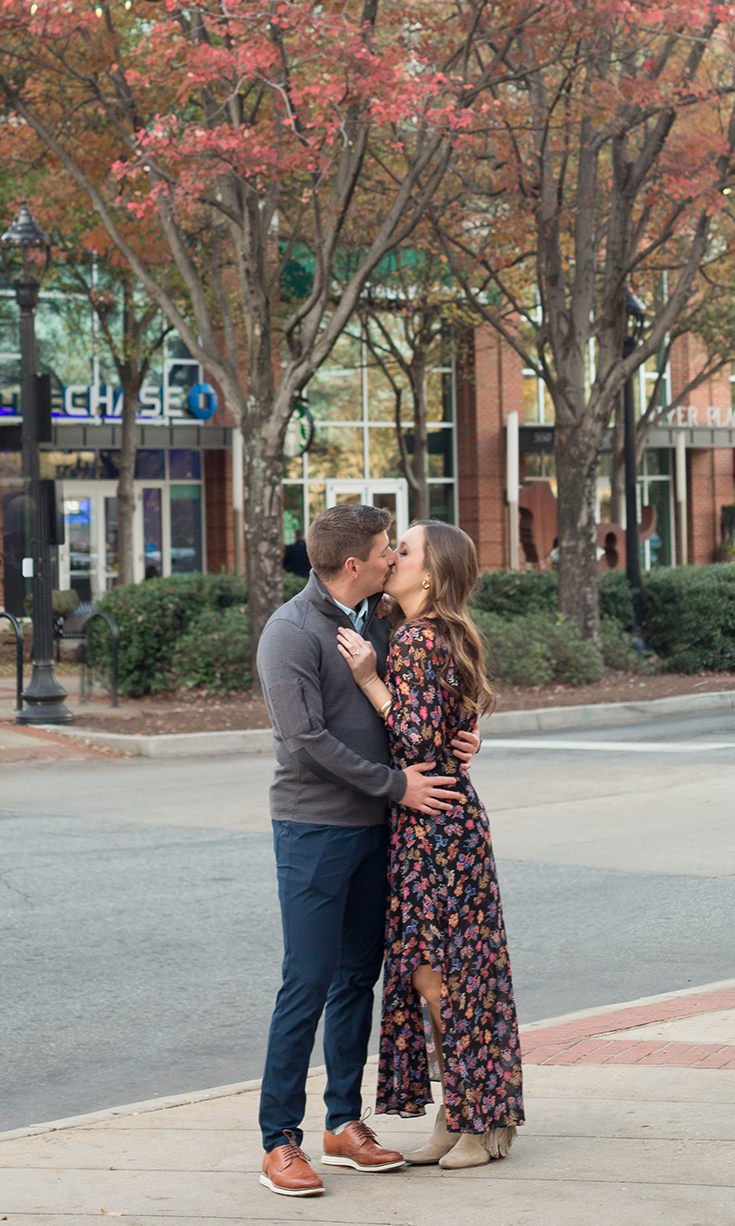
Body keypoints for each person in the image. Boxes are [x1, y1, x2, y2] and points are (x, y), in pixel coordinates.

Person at [255, 503, 481, 1198]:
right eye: (388, 549)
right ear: (354, 564)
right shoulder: (290, 633)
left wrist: (466, 738)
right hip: (316, 830)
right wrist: (396, 786)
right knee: (308, 980)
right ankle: (279, 1141)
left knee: (359, 978)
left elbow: (433, 697)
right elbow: (307, 741)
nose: (394, 557)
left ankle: (343, 1123)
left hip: (381, 831)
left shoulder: (384, 618)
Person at [337, 520, 524, 1169]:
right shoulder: (429, 631)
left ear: (430, 573)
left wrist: (368, 678)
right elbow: (452, 728)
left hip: (436, 829)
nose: (393, 558)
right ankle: (471, 1115)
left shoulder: (419, 638)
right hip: (444, 824)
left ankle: (475, 1120)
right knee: (453, 977)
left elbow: (415, 740)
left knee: (440, 980)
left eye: (405, 551)